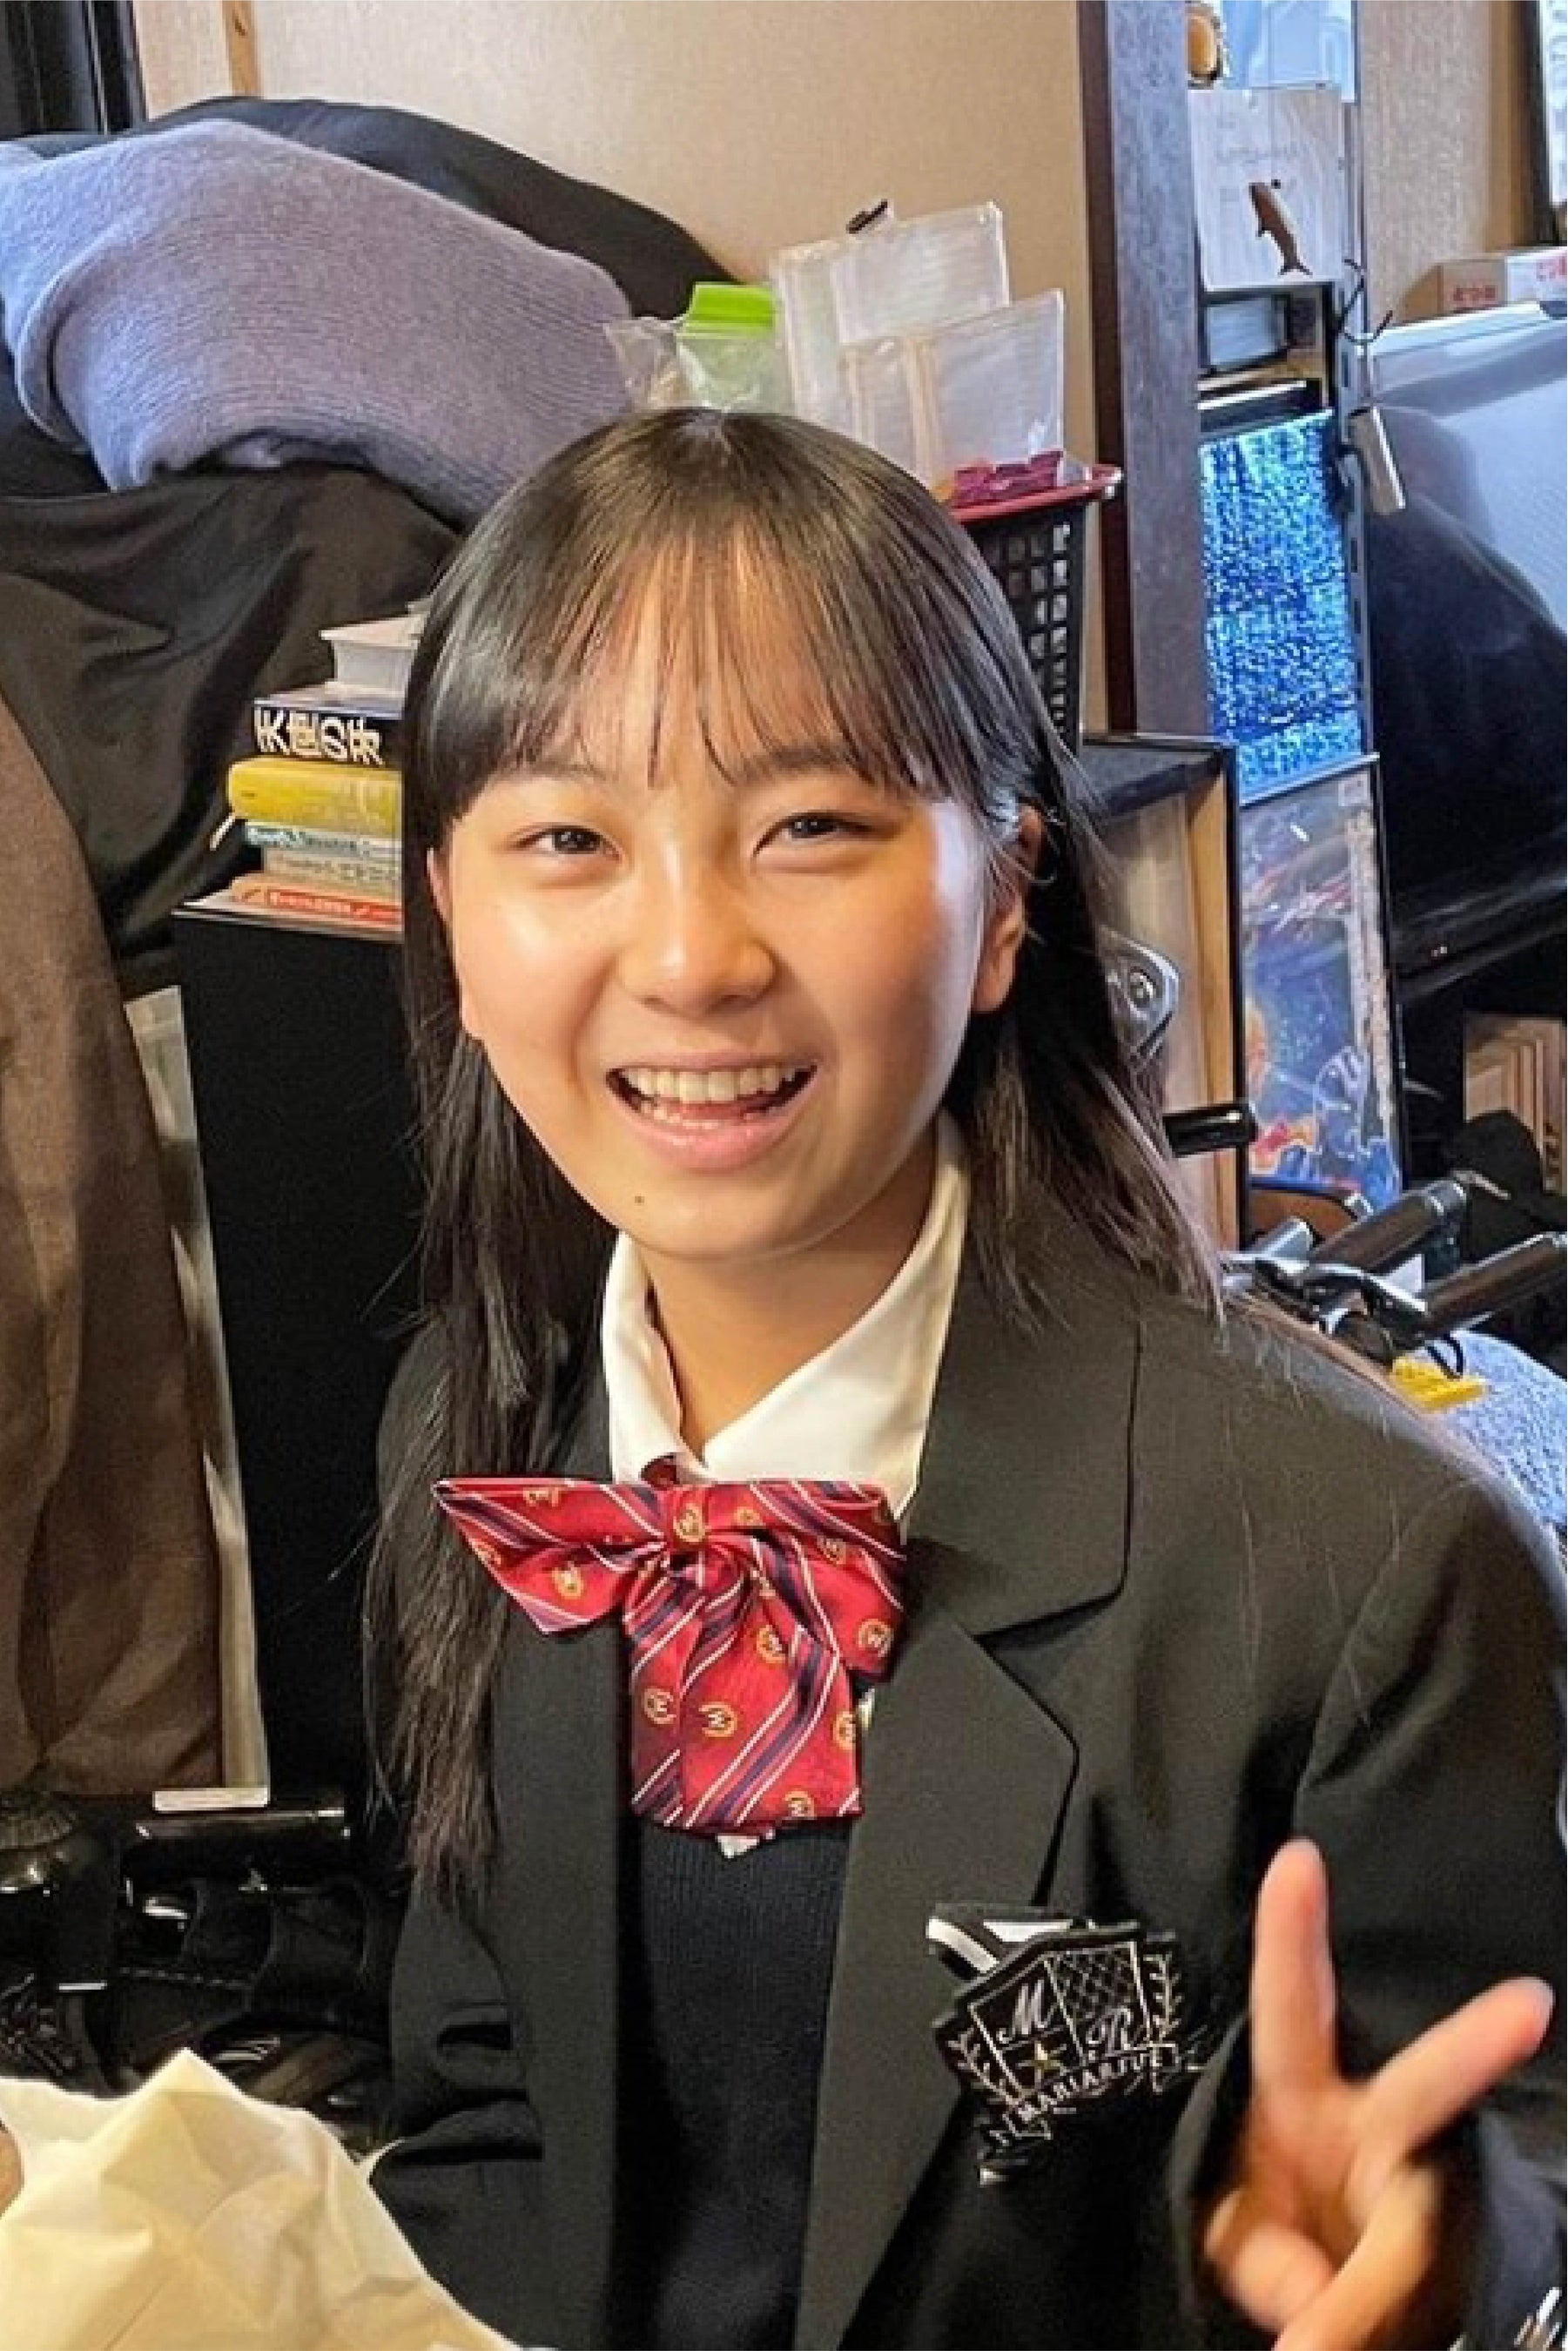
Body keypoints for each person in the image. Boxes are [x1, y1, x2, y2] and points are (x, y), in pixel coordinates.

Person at [367, 408, 1563, 2351]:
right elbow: (487, 2113)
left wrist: (1441, 2268)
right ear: (450, 914)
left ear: (1004, 898)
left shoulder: (1366, 1568)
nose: (689, 956)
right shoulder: (476, 1429)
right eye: (568, 840)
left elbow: (1507, 2162)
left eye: (810, 828)